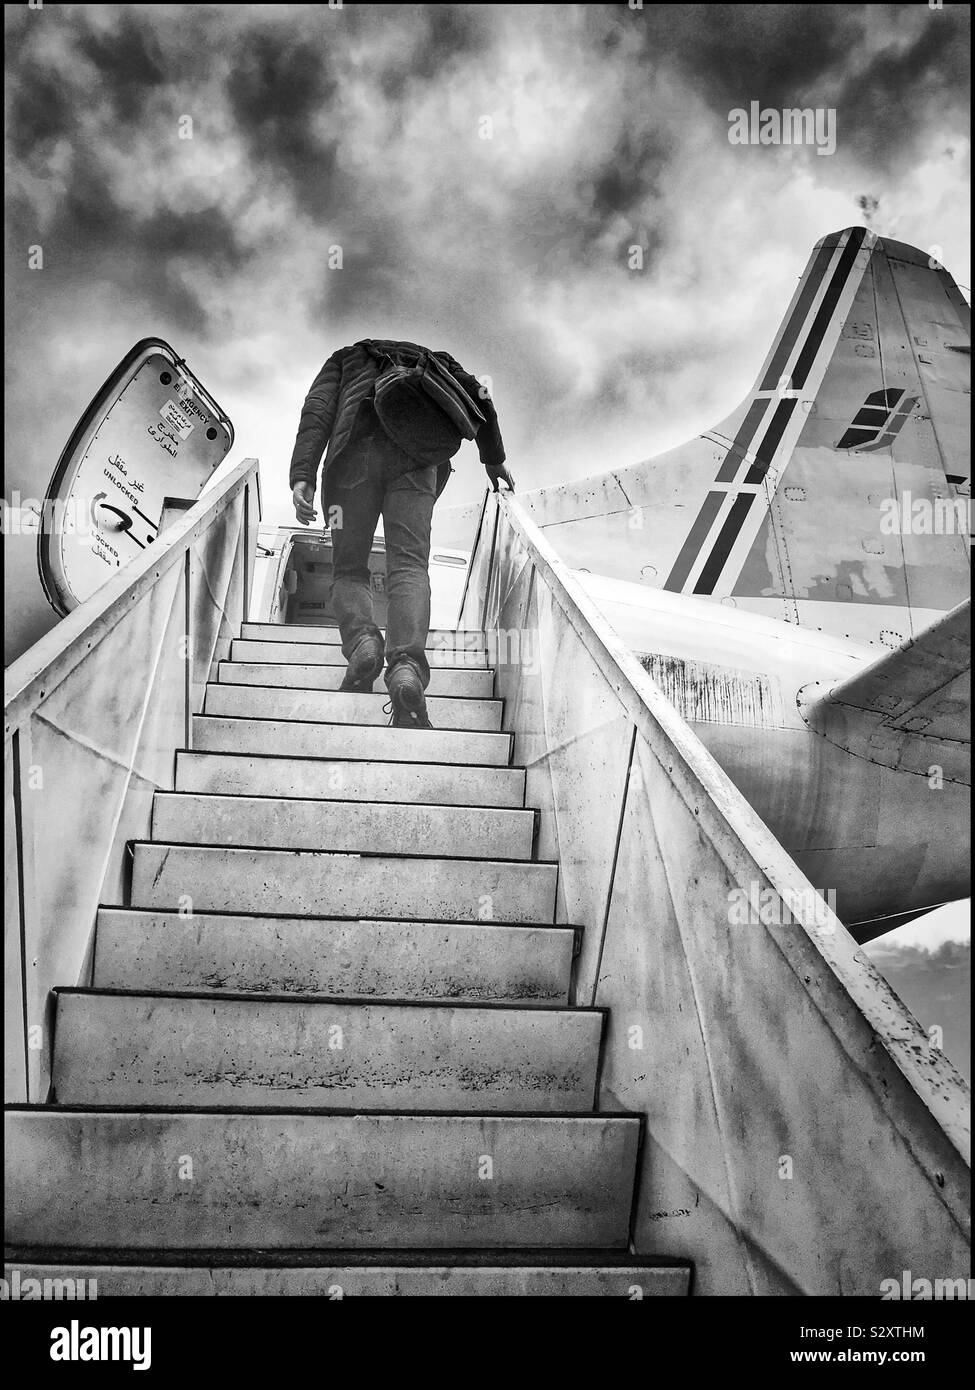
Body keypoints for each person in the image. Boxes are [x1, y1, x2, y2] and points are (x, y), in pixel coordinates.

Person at [289, 338, 514, 728]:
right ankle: (406, 666)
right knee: (409, 567)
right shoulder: (436, 361)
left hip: (350, 466)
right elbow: (481, 396)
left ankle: (363, 642)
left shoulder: (345, 358)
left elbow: (318, 409)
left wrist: (302, 476)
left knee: (347, 568)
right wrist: (493, 460)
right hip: (416, 465)